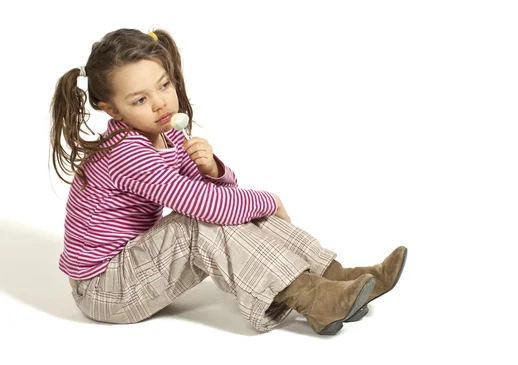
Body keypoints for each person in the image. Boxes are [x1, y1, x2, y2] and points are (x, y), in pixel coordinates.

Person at [49, 27, 408, 335]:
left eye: (164, 85)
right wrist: (269, 199)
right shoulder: (127, 152)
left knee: (230, 209)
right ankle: (313, 298)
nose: (160, 104)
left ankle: (332, 275)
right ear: (111, 109)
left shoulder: (168, 137)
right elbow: (207, 209)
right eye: (141, 99)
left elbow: (222, 199)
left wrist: (212, 171)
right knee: (197, 221)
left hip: (134, 265)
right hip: (104, 290)